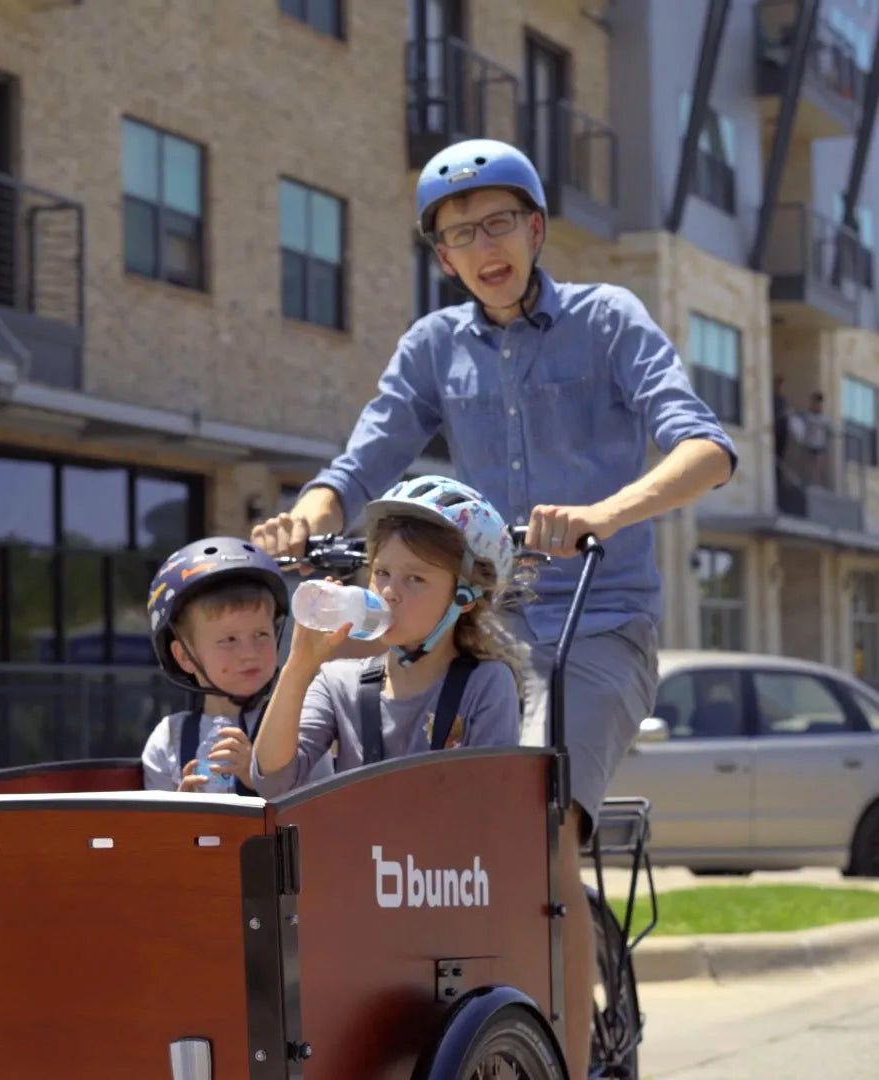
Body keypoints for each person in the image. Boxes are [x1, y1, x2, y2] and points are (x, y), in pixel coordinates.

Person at [250, 139, 736, 1079]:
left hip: (596, 621)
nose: (484, 244)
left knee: (531, 811)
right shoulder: (434, 346)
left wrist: (604, 513)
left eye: (500, 221)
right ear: (442, 257)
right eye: (459, 232)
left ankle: (568, 1055)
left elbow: (705, 448)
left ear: (538, 228)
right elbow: (364, 457)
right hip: (481, 623)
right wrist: (311, 513)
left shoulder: (608, 319)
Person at [251, 475, 521, 796]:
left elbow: (493, 806)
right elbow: (273, 779)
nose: (390, 592)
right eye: (381, 573)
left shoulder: (486, 684)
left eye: (415, 579)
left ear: (464, 598)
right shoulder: (338, 683)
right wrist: (299, 666)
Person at [141, 537, 291, 793]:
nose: (249, 653)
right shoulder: (169, 740)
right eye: (229, 640)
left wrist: (258, 779)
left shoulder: (299, 725)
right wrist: (177, 812)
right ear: (185, 656)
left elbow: (320, 816)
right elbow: (154, 831)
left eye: (261, 635)